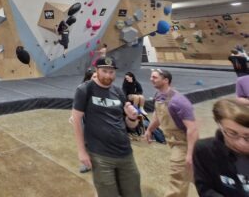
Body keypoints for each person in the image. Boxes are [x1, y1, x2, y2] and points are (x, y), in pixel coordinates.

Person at [72, 57, 142, 197]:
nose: (108, 75)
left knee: (134, 192)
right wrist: (81, 151)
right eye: (104, 71)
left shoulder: (118, 91)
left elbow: (129, 125)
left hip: (125, 153)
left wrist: (132, 118)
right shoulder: (85, 89)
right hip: (100, 155)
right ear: (97, 70)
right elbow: (76, 120)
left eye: (111, 72)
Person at [144, 69, 199, 197]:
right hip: (172, 141)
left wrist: (190, 154)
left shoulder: (178, 101)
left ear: (166, 80)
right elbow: (158, 116)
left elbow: (192, 129)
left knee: (177, 179)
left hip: (183, 144)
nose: (151, 79)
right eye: (151, 76)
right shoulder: (159, 96)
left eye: (155, 77)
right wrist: (149, 130)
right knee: (195, 176)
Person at [193, 99, 249, 196]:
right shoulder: (204, 150)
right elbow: (205, 188)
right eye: (232, 133)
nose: (241, 143)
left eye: (247, 137)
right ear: (220, 126)